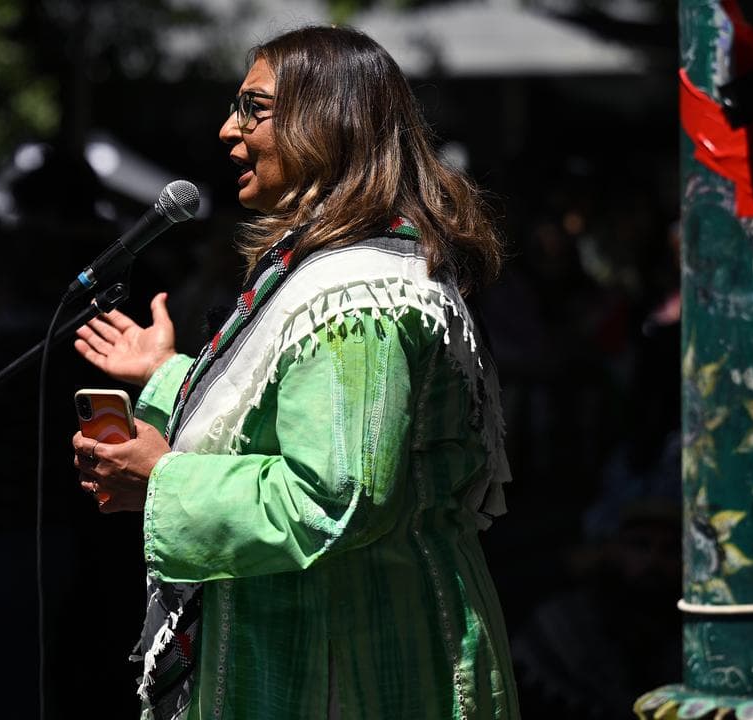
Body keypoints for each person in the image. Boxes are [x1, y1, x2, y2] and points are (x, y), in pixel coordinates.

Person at [72, 25, 520, 720]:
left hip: (355, 671)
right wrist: (164, 373)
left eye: (253, 108)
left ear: (329, 120)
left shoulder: (358, 295)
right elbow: (288, 424)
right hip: (317, 655)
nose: (228, 130)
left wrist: (162, 481)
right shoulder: (337, 276)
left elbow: (333, 497)